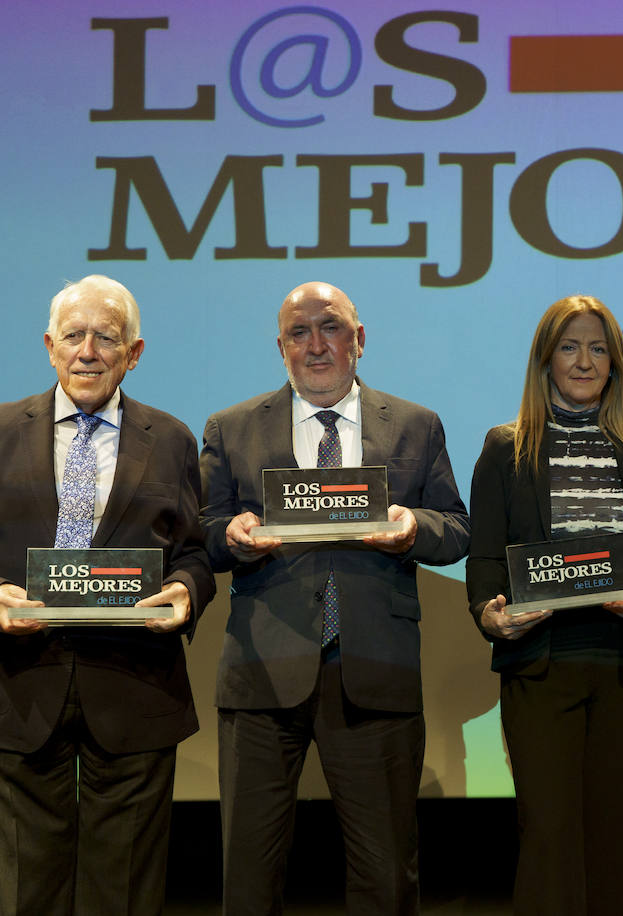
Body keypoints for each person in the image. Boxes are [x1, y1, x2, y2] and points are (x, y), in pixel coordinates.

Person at [0, 275, 214, 916]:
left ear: (134, 352)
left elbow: (195, 552)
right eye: (73, 336)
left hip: (137, 683)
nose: (88, 351)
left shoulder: (170, 439)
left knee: (123, 896)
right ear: (49, 346)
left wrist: (183, 590)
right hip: (19, 685)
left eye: (107, 338)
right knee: (23, 895)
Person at [200, 281, 470, 916]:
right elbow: (200, 535)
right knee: (248, 874)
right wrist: (232, 536)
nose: (316, 345)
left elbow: (456, 528)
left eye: (331, 328)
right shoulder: (232, 427)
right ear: (281, 347)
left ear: (360, 339)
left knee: (385, 873)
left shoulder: (414, 424)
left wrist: (411, 528)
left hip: (375, 666)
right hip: (261, 672)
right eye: (300, 332)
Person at [466, 295, 623, 916]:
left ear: (616, 363)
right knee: (549, 835)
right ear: (545, 359)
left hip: (622, 664)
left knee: (621, 833)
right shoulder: (507, 448)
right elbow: (485, 560)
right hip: (541, 662)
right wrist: (489, 615)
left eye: (599, 348)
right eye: (570, 347)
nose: (584, 361)